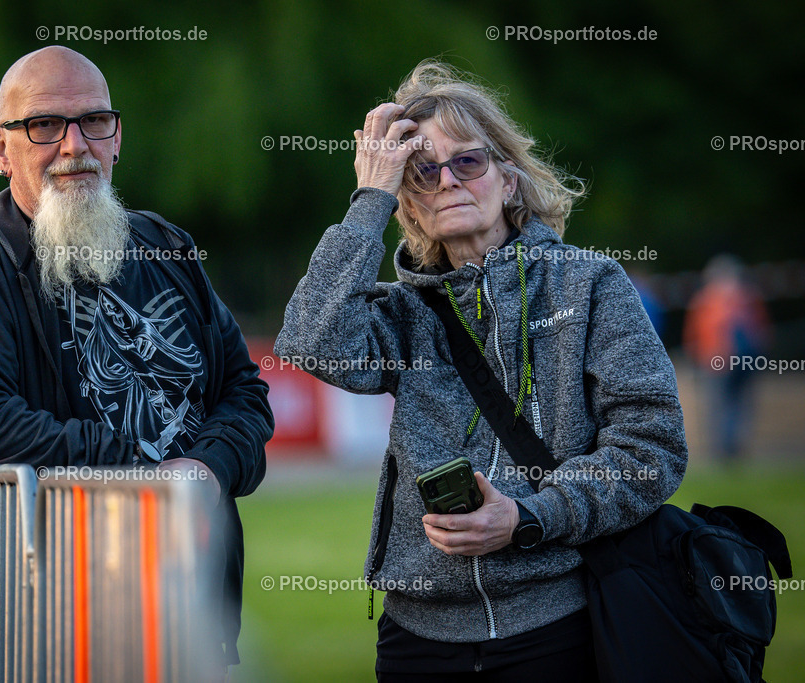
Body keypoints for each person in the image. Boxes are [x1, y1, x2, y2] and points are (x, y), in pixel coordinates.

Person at [274, 60, 688, 681]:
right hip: (415, 632)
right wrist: (369, 200)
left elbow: (650, 450)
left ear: (510, 180)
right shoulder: (402, 313)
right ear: (406, 202)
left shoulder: (591, 283)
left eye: (467, 161)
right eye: (420, 172)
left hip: (557, 622)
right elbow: (310, 342)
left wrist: (526, 519)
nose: (446, 181)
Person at [0, 46, 273, 670]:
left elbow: (244, 393)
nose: (74, 145)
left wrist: (206, 472)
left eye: (94, 122)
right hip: (44, 625)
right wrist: (146, 477)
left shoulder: (166, 244)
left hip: (190, 609)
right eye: (45, 125)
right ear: (2, 149)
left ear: (117, 138)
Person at [683, 254, 771, 460]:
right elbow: (763, 330)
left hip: (716, 360)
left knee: (719, 404)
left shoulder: (705, 299)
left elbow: (693, 333)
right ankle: (731, 447)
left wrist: (695, 356)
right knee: (737, 403)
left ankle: (724, 449)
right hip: (735, 359)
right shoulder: (748, 296)